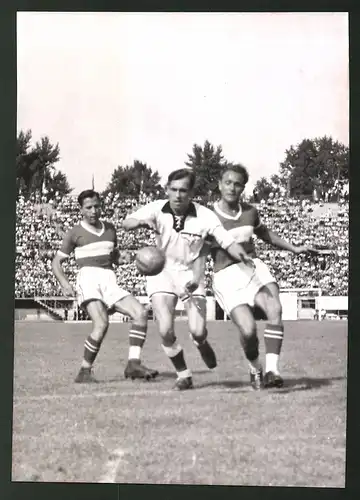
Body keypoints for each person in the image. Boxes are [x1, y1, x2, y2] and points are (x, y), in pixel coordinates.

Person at [122, 168, 251, 390]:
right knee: (165, 329)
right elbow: (127, 221)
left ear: (191, 192)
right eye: (174, 190)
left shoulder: (205, 216)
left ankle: (201, 343)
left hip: (191, 275)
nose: (178, 195)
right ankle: (183, 374)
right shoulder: (156, 208)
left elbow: (227, 241)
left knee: (198, 331)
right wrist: (140, 223)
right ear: (167, 190)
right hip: (161, 273)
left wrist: (243, 255)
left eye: (183, 190)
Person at [205, 164, 319, 389]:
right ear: (219, 185)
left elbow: (265, 234)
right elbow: (198, 252)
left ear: (243, 188)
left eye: (238, 184)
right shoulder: (208, 217)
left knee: (274, 308)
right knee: (248, 332)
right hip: (226, 277)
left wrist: (294, 248)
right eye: (228, 182)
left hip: (252, 267)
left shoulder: (250, 212)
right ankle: (255, 367)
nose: (232, 187)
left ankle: (272, 371)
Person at [52, 189, 158, 383]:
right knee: (101, 324)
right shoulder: (74, 232)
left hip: (109, 278)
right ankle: (84, 371)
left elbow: (113, 256)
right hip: (88, 278)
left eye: (96, 206)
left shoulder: (110, 229)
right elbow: (56, 262)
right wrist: (64, 282)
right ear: (81, 209)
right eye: (88, 207)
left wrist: (123, 258)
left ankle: (133, 364)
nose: (93, 211)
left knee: (141, 313)